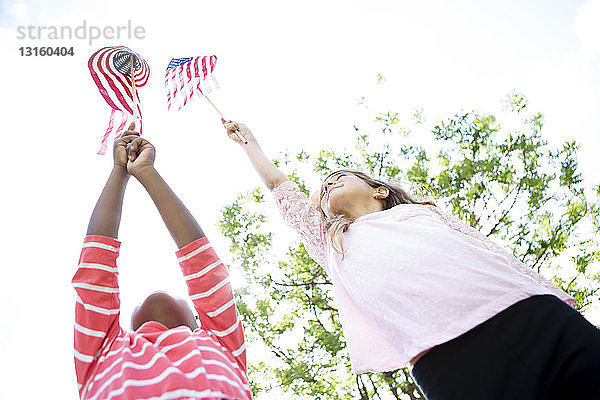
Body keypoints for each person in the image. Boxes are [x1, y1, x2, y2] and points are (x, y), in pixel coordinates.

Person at [222, 119, 600, 400]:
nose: (326, 184)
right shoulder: (331, 241)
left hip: (532, 316)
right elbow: (278, 184)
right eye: (321, 190)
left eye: (338, 177)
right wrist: (249, 143)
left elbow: (489, 252)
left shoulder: (424, 214)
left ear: (379, 190)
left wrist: (554, 295)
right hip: (452, 362)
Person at [73, 124, 251, 400]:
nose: (159, 295)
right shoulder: (105, 350)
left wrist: (146, 172)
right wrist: (118, 171)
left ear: (197, 321)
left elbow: (94, 272)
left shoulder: (218, 342)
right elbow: (95, 271)